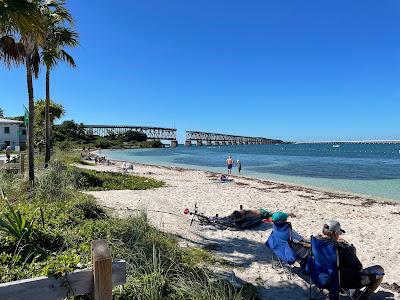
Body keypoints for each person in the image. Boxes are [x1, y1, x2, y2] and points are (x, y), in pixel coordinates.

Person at [318, 220, 385, 299]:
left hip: (323, 278)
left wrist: (336, 241)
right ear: (335, 233)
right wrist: (350, 247)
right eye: (339, 233)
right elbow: (358, 268)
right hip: (344, 283)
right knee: (380, 270)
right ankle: (364, 297)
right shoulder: (343, 249)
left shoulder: (316, 242)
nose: (339, 235)